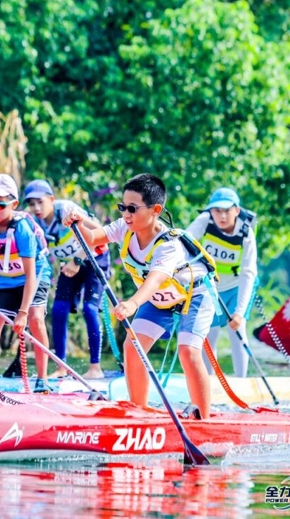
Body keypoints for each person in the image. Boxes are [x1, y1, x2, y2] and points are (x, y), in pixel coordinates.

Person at [65, 173, 217, 418]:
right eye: (123, 207)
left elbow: (155, 280)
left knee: (188, 351)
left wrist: (132, 303)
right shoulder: (123, 228)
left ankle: (205, 420)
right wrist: (77, 223)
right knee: (133, 347)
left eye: (133, 209)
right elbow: (92, 239)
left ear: (155, 209)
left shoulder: (168, 245)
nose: (126, 214)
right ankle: (139, 413)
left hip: (193, 296)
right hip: (159, 300)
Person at [23, 179, 111, 380]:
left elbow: (100, 233)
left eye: (40, 202)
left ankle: (95, 368)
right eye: (31, 203)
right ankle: (61, 367)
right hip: (71, 265)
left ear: (51, 200)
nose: (36, 208)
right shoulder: (32, 222)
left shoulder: (66, 210)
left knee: (89, 309)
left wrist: (78, 259)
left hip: (94, 258)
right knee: (59, 310)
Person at [0, 174, 54, 393]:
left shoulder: (22, 229)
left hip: (34, 276)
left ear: (13, 205)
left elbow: (31, 275)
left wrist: (22, 312)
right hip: (5, 282)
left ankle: (42, 378)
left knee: (35, 319)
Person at [186, 187, 257, 378]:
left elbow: (248, 273)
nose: (222, 216)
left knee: (237, 330)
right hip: (210, 289)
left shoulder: (246, 232)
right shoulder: (204, 221)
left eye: (227, 210)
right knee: (209, 334)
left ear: (236, 210)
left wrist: (240, 313)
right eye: (217, 210)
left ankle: (241, 381)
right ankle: (209, 383)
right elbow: (183, 243)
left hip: (237, 288)